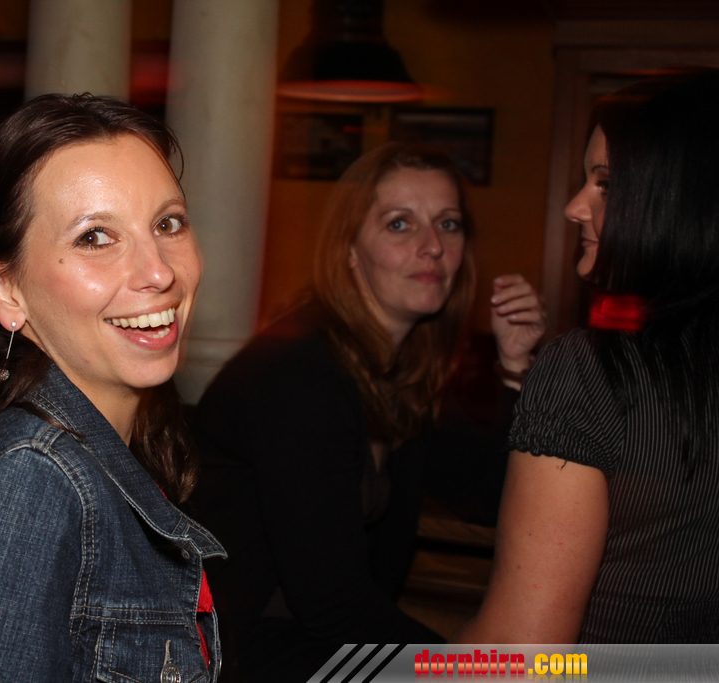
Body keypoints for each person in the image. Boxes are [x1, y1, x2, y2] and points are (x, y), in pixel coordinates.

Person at [0, 94, 224, 681]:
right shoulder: (24, 484)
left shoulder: (99, 450)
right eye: (95, 238)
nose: (160, 271)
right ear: (5, 291)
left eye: (168, 223)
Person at [191, 143, 546, 680]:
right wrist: (475, 670)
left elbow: (491, 492)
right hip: (230, 655)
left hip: (308, 643)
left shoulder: (399, 371)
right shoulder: (299, 375)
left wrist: (516, 368)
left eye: (448, 224)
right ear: (350, 250)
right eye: (400, 224)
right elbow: (332, 606)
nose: (432, 246)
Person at [457, 70, 719, 644]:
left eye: (605, 184)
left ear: (677, 200)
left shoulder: (587, 367)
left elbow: (522, 660)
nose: (575, 207)